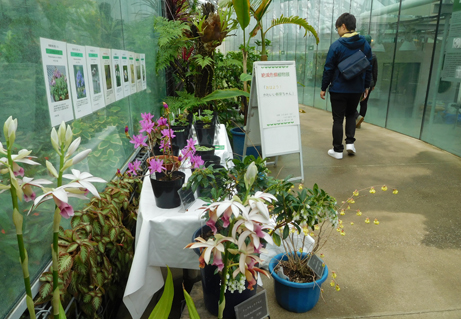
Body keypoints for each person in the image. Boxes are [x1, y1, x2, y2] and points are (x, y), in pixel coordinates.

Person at [320, 13, 372, 160]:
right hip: (356, 89)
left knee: (337, 119)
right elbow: (368, 67)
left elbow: (328, 68)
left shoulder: (337, 45)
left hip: (338, 89)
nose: (338, 31)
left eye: (338, 28)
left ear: (343, 26)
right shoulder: (365, 44)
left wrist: (324, 87)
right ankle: (350, 143)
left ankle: (337, 150)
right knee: (350, 114)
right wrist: (366, 86)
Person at [356, 35, 378, 128]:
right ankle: (359, 121)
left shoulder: (358, 53)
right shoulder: (373, 55)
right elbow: (375, 71)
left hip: (359, 82)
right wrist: (374, 84)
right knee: (364, 103)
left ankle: (357, 117)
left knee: (354, 102)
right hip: (369, 83)